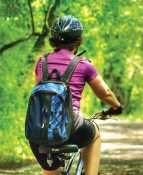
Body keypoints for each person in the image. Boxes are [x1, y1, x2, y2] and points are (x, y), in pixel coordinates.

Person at [29, 16, 123, 175]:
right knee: (94, 136)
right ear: (79, 40)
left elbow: (39, 90)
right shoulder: (83, 64)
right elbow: (106, 93)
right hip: (72, 127)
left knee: (51, 169)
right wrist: (117, 107)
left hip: (39, 130)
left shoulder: (41, 61)